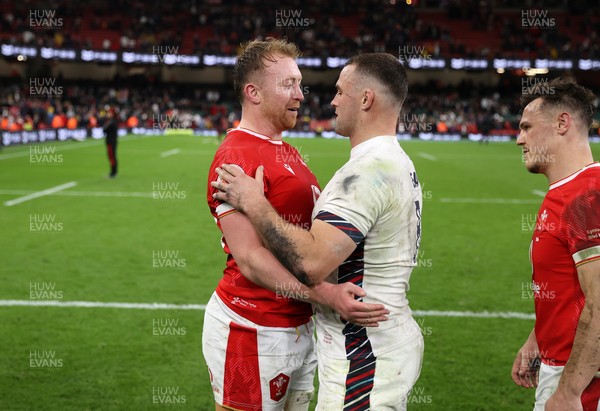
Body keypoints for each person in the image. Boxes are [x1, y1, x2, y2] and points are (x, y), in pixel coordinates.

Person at [212, 53, 424, 410]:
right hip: (255, 326)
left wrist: (256, 202)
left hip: (347, 340)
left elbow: (311, 256)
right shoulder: (237, 156)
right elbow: (248, 258)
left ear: (366, 100)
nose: (307, 95)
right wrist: (325, 295)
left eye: (340, 91)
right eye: (289, 84)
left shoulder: (358, 166)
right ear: (254, 92)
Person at [511, 77, 600, 411]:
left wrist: (570, 391)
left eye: (527, 126)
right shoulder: (568, 191)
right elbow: (567, 287)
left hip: (583, 381)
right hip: (560, 366)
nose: (519, 139)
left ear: (562, 123)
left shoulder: (587, 195)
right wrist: (538, 338)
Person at [103, 109, 118, 178]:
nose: (107, 114)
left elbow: (104, 129)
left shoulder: (111, 122)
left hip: (110, 142)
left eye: (109, 113)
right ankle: (114, 172)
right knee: (113, 157)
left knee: (112, 157)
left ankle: (113, 173)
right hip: (112, 141)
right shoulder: (113, 122)